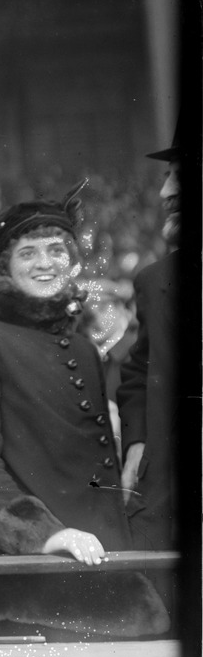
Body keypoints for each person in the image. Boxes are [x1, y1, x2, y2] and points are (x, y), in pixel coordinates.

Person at [0, 186, 169, 640]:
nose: (45, 262)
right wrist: (45, 535)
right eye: (28, 252)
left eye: (56, 249)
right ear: (5, 266)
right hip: (28, 591)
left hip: (104, 573)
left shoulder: (85, 348)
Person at [116, 128, 182, 606]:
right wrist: (137, 440)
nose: (166, 193)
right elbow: (138, 372)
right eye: (166, 179)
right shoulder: (155, 280)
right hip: (168, 499)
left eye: (181, 177)